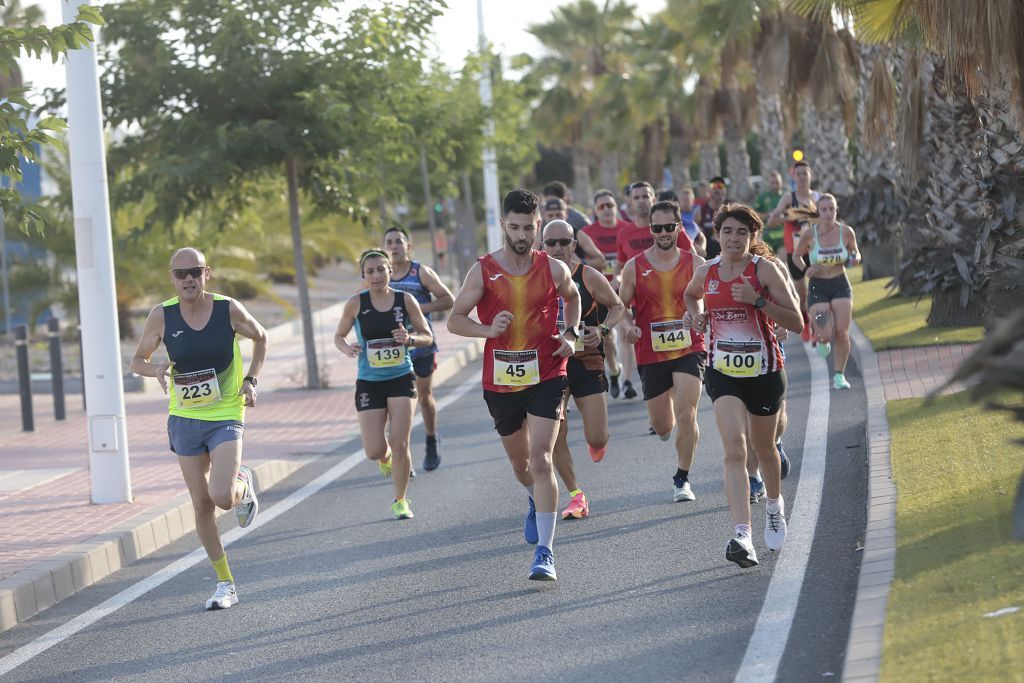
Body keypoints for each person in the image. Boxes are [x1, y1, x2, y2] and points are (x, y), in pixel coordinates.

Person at [447, 188, 581, 581]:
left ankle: (546, 552)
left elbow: (572, 299)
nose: (522, 234)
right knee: (522, 465)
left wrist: (570, 334)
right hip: (501, 381)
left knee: (541, 459)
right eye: (515, 226)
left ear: (538, 227)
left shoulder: (553, 268)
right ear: (503, 224)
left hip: (547, 373)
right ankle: (532, 497)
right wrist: (488, 329)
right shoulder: (484, 270)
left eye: (528, 227)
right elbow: (456, 319)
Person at [130, 247, 267, 610]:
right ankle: (226, 583)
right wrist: (155, 368)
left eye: (195, 272)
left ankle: (241, 483)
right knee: (202, 504)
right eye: (181, 274)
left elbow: (261, 337)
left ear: (208, 273)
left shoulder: (227, 308)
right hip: (185, 418)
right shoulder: (162, 314)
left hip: (225, 413)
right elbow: (137, 361)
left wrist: (251, 380)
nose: (188, 279)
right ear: (172, 277)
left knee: (221, 495)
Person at [684, 204, 803, 568]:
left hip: (765, 373)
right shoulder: (707, 272)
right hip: (723, 372)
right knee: (734, 449)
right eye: (727, 232)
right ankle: (742, 533)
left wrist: (760, 302)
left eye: (742, 233)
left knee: (764, 449)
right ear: (717, 234)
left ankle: (773, 506)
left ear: (752, 237)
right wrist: (697, 315)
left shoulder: (763, 270)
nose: (734, 239)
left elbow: (797, 322)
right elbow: (691, 295)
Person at [335, 249, 434, 520]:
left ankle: (400, 500)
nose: (377, 275)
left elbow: (427, 336)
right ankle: (384, 458)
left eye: (381, 269)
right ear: (363, 276)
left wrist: (409, 339)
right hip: (370, 381)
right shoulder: (356, 303)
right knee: (374, 450)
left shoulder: (406, 300)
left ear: (390, 271)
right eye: (370, 271)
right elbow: (339, 335)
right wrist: (346, 348)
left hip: (401, 377)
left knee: (400, 441)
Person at [618, 200, 706, 502]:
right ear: (650, 229)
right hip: (651, 353)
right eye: (658, 228)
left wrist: (698, 316)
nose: (664, 232)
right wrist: (628, 327)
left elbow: (704, 300)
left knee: (686, 414)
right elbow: (621, 307)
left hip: (689, 348)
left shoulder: (694, 263)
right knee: (664, 425)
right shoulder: (634, 266)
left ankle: (682, 479)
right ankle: (678, 431)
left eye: (670, 227)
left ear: (679, 227)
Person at [542, 219, 625, 519]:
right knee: (554, 433)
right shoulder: (533, 278)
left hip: (587, 359)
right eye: (551, 242)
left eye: (564, 242)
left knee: (598, 437)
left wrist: (602, 330)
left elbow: (618, 307)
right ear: (542, 245)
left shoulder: (588, 276)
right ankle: (576, 495)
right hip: (550, 364)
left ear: (574, 245)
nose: (557, 248)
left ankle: (596, 441)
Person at [615, 181, 694, 400]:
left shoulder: (672, 226)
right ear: (630, 202)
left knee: (685, 407)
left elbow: (693, 261)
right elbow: (621, 265)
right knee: (626, 331)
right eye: (636, 197)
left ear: (653, 198)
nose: (641, 200)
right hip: (642, 302)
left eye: (645, 196)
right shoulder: (624, 233)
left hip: (677, 304)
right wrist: (619, 279)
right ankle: (627, 380)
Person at [384, 227, 454, 471]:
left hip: (422, 345)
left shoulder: (420, 272)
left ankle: (432, 439)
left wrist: (417, 311)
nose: (394, 247)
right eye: (389, 243)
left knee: (423, 398)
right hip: (394, 349)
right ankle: (402, 456)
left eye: (398, 242)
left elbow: (448, 299)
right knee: (398, 403)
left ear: (408, 246)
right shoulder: (381, 277)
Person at [790, 194, 861, 389]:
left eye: (832, 209)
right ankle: (820, 339)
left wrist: (855, 257)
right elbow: (796, 256)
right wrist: (806, 269)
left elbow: (855, 251)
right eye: (824, 209)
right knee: (825, 335)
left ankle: (839, 376)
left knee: (842, 332)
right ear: (818, 212)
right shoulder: (809, 234)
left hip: (840, 284)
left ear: (836, 210)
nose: (828, 213)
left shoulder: (846, 232)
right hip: (818, 286)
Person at [581, 188, 629, 396]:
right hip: (599, 292)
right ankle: (615, 371)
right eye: (602, 206)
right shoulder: (586, 234)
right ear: (595, 211)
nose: (607, 210)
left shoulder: (626, 229)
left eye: (611, 205)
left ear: (616, 208)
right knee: (608, 338)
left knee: (628, 334)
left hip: (623, 289)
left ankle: (628, 379)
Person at [765, 160, 820, 341]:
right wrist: (789, 216)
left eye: (805, 173)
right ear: (794, 177)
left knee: (818, 287)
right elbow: (771, 221)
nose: (802, 177)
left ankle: (818, 323)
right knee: (801, 291)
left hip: (814, 250)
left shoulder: (817, 198)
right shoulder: (789, 198)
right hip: (794, 251)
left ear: (810, 175)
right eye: (799, 174)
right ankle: (804, 320)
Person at [540, 196, 606, 270]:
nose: (554, 218)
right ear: (544, 216)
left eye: (564, 242)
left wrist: (580, 262)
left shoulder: (577, 234)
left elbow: (601, 261)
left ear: (566, 214)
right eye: (550, 242)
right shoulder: (538, 237)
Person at [753, 171, 785, 253]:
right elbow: (753, 213)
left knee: (783, 263)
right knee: (770, 262)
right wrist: (765, 215)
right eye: (772, 182)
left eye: (777, 182)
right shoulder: (763, 197)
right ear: (769, 183)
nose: (775, 185)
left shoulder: (786, 197)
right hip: (768, 237)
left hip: (783, 238)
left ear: (781, 182)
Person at [697, 176, 728, 259]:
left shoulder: (731, 209)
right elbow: (695, 232)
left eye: (720, 186)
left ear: (725, 190)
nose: (717, 189)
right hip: (708, 257)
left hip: (727, 256)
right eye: (714, 186)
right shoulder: (701, 210)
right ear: (709, 190)